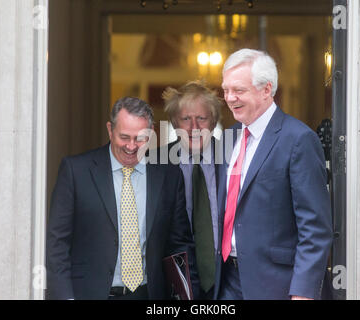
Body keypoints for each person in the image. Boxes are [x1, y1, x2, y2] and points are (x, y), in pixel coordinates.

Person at [46, 97, 199, 300]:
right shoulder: (76, 171)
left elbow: (180, 244)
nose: (132, 146)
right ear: (110, 130)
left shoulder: (168, 176)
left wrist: (188, 296)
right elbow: (57, 244)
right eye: (124, 137)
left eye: (140, 138)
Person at [214, 49, 333, 300]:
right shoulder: (229, 137)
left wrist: (303, 292)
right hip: (227, 282)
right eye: (225, 90)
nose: (229, 98)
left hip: (277, 286)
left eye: (239, 90)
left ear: (267, 90)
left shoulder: (298, 139)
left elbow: (315, 226)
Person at [162, 81, 222, 300]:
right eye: (186, 119)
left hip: (229, 280)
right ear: (174, 123)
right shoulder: (155, 165)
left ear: (213, 122)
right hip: (175, 283)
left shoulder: (234, 159)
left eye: (202, 119)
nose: (194, 127)